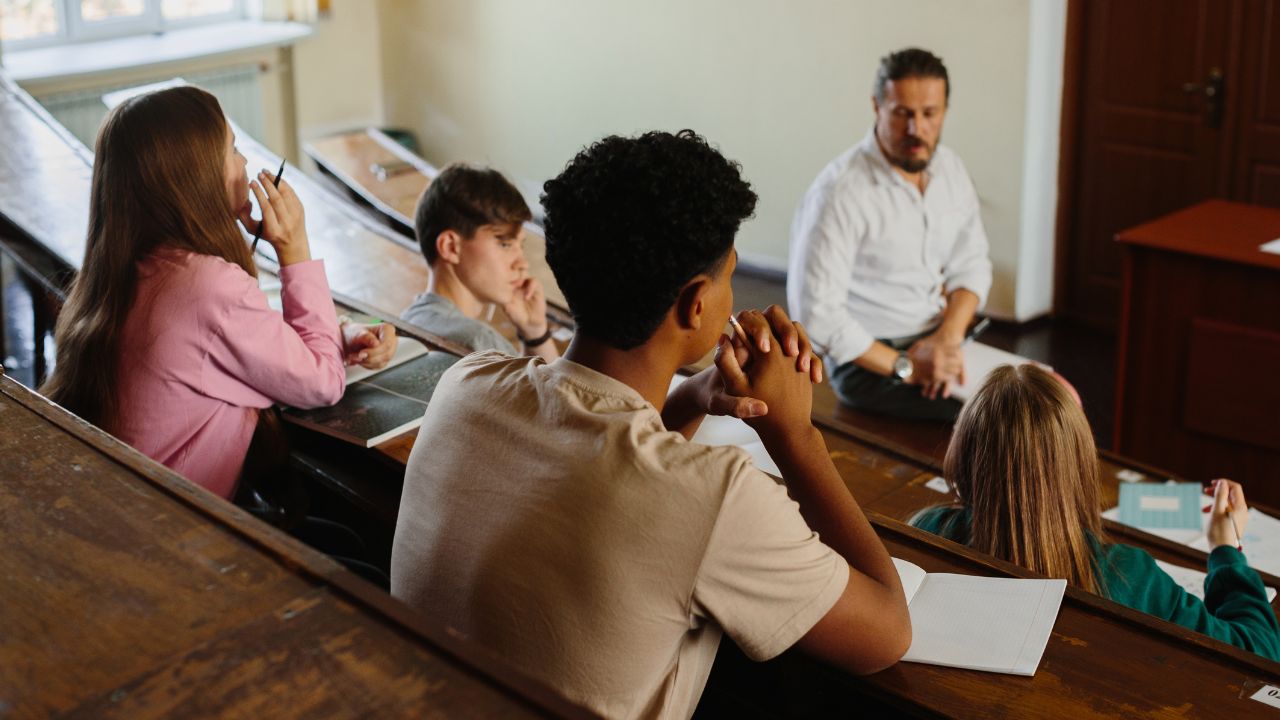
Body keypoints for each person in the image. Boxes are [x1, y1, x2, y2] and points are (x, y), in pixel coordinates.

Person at [391, 130, 911, 719]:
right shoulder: (717, 496)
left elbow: (608, 465)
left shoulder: (466, 386)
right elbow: (887, 633)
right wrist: (795, 435)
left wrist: (689, 398)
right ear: (695, 302)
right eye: (729, 275)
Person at [42, 85, 396, 501]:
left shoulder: (132, 266)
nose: (245, 163)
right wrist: (294, 250)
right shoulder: (207, 284)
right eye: (232, 150)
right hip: (179, 534)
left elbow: (228, 341)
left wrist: (339, 333)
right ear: (195, 176)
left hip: (119, 509)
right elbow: (322, 384)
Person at [910, 364, 1280, 661]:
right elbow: (1257, 651)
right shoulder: (1127, 573)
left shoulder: (927, 528)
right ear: (1079, 461)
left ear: (964, 452)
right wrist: (1226, 550)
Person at [788, 47, 992, 421]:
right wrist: (909, 368)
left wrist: (946, 338)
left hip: (939, 337)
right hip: (868, 361)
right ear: (877, 106)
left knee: (1052, 392)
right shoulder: (838, 192)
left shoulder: (950, 169)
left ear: (945, 110)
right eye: (902, 114)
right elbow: (817, 317)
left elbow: (972, 265)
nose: (917, 129)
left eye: (929, 114)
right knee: (1008, 418)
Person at [401, 163, 559, 360]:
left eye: (521, 246)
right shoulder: (480, 344)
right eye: (505, 245)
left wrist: (534, 331)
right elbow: (555, 391)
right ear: (451, 247)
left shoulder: (409, 319)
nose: (522, 264)